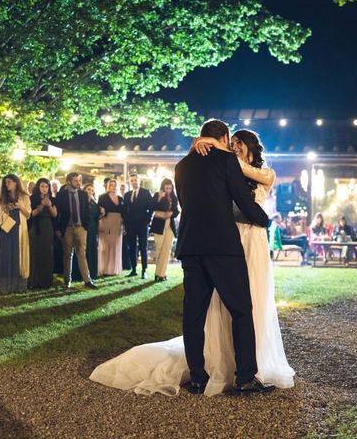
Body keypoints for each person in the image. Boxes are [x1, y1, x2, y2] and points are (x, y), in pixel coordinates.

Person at [90, 122, 289, 396]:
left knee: (194, 314)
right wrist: (263, 219)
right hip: (222, 245)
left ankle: (198, 377)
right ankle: (245, 377)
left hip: (191, 244)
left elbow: (186, 203)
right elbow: (243, 200)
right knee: (241, 310)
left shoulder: (182, 166)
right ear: (223, 138)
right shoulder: (226, 160)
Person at [55, 172, 96, 289]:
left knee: (82, 254)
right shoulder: (61, 195)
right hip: (67, 228)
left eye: (79, 180)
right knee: (68, 254)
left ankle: (87, 280)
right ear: (69, 182)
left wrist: (85, 226)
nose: (79, 183)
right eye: (76, 181)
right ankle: (67, 281)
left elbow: (86, 211)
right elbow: (58, 213)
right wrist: (58, 229)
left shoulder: (83, 194)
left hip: (81, 227)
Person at [0, 174, 31, 292]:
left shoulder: (24, 197)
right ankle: (6, 284)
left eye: (9, 182)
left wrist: (20, 206)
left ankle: (18, 284)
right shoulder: (4, 197)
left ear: (16, 182)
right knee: (6, 252)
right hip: (8, 225)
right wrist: (7, 208)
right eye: (5, 182)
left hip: (19, 226)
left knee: (18, 253)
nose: (7, 184)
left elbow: (28, 214)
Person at [28, 178, 57, 288]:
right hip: (35, 227)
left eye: (46, 187)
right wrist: (41, 206)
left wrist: (49, 205)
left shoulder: (52, 199)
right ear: (38, 187)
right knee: (35, 253)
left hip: (47, 227)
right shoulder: (32, 199)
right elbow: (31, 214)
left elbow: (55, 214)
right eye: (42, 186)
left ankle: (46, 281)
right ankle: (34, 281)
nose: (44, 189)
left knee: (47, 253)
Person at [124, 173, 153, 279]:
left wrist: (147, 220)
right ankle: (134, 269)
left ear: (139, 181)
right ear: (129, 182)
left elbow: (151, 207)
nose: (134, 182)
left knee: (143, 247)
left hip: (142, 224)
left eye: (135, 180)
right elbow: (125, 211)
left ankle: (144, 270)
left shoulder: (146, 192)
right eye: (131, 180)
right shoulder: (127, 195)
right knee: (132, 247)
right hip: (131, 225)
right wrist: (126, 224)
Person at [150, 178, 179, 282]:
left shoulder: (174, 197)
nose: (168, 190)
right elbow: (152, 207)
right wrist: (159, 198)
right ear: (162, 188)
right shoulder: (157, 195)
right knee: (159, 249)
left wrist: (172, 213)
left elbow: (177, 211)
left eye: (170, 188)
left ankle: (162, 274)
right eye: (166, 188)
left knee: (167, 249)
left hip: (170, 225)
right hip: (159, 225)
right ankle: (158, 273)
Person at [72, 183, 102, 281]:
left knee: (92, 249)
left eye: (92, 190)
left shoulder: (94, 203)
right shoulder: (81, 202)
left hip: (93, 229)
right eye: (88, 189)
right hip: (84, 227)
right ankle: (81, 273)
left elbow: (98, 215)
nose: (90, 192)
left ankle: (92, 272)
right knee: (82, 250)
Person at [97, 179, 124, 276]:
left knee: (115, 246)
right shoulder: (102, 197)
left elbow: (123, 213)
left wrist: (123, 225)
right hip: (106, 221)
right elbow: (99, 212)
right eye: (111, 185)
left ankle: (112, 269)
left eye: (114, 185)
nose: (113, 186)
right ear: (108, 186)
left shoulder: (121, 199)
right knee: (105, 246)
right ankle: (104, 269)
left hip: (118, 223)